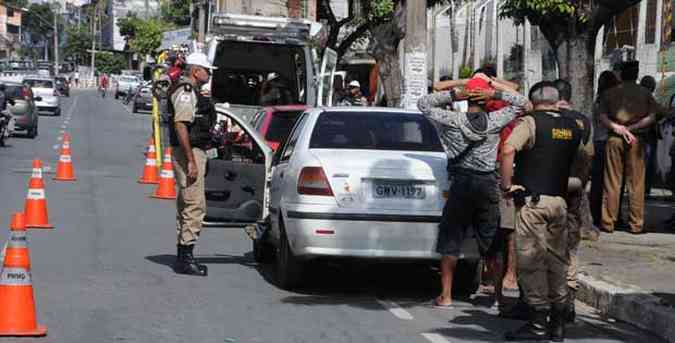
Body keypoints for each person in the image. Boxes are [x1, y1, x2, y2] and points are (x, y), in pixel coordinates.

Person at [417, 73, 529, 308]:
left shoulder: (451, 120)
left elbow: (423, 103)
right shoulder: (497, 119)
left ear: (466, 99)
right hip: (488, 185)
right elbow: (524, 104)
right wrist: (495, 90)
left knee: (451, 240)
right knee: (492, 244)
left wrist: (458, 88)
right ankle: (498, 298)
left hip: (461, 185)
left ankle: (446, 296)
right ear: (485, 100)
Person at [501, 82, 583, 342]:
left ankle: (537, 325)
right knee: (558, 261)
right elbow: (581, 160)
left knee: (531, 261)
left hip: (533, 203)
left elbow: (507, 149)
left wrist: (507, 185)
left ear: (533, 100)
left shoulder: (530, 123)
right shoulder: (573, 126)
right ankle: (557, 325)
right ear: (557, 100)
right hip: (559, 202)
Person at [168, 52, 218, 276]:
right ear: (196, 71)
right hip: (189, 152)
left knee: (187, 203)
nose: (209, 74)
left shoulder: (192, 90)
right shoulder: (186, 91)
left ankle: (183, 254)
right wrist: (190, 160)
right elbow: (180, 124)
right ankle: (185, 258)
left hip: (192, 150)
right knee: (195, 204)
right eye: (207, 70)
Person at [553, 78, 594, 323]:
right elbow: (589, 155)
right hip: (575, 190)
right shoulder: (584, 120)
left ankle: (548, 302)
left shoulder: (547, 118)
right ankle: (568, 301)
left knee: (547, 247)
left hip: (550, 189)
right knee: (571, 247)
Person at [599, 61, 657, 234]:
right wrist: (632, 128)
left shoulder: (610, 93)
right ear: (636, 74)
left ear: (621, 74)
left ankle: (608, 222)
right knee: (637, 183)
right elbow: (652, 117)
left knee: (612, 182)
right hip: (636, 139)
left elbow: (602, 116)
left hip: (614, 138)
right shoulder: (645, 93)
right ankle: (636, 224)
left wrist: (618, 127)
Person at [590, 71, 620, 227]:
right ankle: (609, 215)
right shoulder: (610, 101)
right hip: (607, 142)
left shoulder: (598, 100)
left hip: (598, 142)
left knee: (598, 182)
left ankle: (595, 214)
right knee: (612, 182)